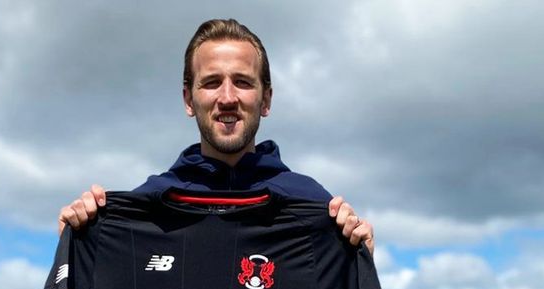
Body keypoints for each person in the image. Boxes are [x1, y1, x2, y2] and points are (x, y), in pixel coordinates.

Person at [58, 18, 375, 256]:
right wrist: (80, 242)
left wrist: (358, 256)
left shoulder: (313, 205)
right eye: (211, 82)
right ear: (188, 100)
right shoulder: (146, 208)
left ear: (266, 100)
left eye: (242, 82)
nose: (227, 97)